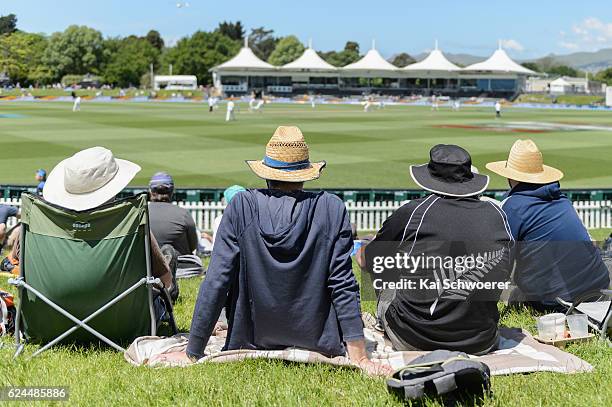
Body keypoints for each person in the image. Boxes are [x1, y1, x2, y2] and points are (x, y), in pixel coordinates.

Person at [160, 126, 392, 376]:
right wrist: (359, 356)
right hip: (319, 340)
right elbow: (343, 283)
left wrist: (192, 351)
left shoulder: (241, 206)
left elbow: (217, 280)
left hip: (250, 339)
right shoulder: (330, 208)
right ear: (305, 174)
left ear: (266, 173)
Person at [367, 144, 513, 355]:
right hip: (481, 341)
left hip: (412, 337)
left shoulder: (414, 211)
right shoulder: (496, 215)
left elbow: (372, 259)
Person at [6, 147, 176, 315]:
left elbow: (14, 265)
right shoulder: (131, 221)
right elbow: (165, 280)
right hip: (123, 323)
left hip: (45, 323)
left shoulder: (36, 221)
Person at [486, 139, 610, 311]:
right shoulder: (561, 199)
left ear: (510, 175)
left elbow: (498, 261)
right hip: (598, 287)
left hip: (558, 301)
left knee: (514, 293)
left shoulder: (513, 206)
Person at [148, 172, 198, 257]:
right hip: (179, 266)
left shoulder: (140, 214)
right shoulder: (183, 214)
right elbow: (193, 246)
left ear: (150, 191)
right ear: (172, 192)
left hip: (147, 265)